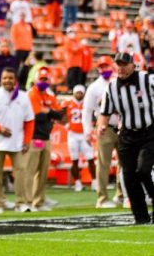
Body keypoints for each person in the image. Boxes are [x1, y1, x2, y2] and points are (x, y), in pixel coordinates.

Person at [97, 52, 154, 225]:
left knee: (143, 169)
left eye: (124, 64)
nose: (121, 68)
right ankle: (141, 217)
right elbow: (104, 113)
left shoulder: (148, 80)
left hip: (149, 132)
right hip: (127, 135)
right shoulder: (112, 87)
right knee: (129, 177)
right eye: (118, 64)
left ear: (132, 65)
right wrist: (101, 125)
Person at [0, 67, 35, 214]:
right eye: (5, 78)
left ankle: (21, 202)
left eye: (10, 78)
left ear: (15, 79)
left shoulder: (23, 96)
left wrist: (27, 140)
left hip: (18, 143)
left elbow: (29, 121)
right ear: (1, 79)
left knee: (21, 172)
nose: (7, 81)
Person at [82, 56, 123, 208]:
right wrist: (87, 130)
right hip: (104, 128)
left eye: (106, 66)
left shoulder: (119, 81)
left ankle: (121, 194)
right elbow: (87, 110)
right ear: (98, 69)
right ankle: (102, 198)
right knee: (103, 164)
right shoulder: (94, 87)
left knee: (124, 163)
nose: (104, 69)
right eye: (101, 67)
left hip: (122, 127)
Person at [25, 68, 65, 212]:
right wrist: (49, 113)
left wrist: (47, 111)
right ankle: (28, 201)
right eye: (41, 79)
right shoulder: (32, 94)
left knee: (43, 172)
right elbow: (36, 116)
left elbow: (60, 114)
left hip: (46, 137)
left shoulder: (49, 95)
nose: (43, 82)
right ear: (36, 80)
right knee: (30, 171)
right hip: (33, 137)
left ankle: (39, 201)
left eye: (45, 79)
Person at [65, 85, 96, 193]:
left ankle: (94, 182)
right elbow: (61, 115)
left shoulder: (87, 103)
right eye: (77, 92)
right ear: (73, 93)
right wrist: (65, 124)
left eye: (81, 92)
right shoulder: (67, 103)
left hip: (84, 134)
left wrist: (92, 126)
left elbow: (94, 115)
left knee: (90, 159)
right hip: (72, 134)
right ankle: (77, 183)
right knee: (74, 160)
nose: (79, 94)